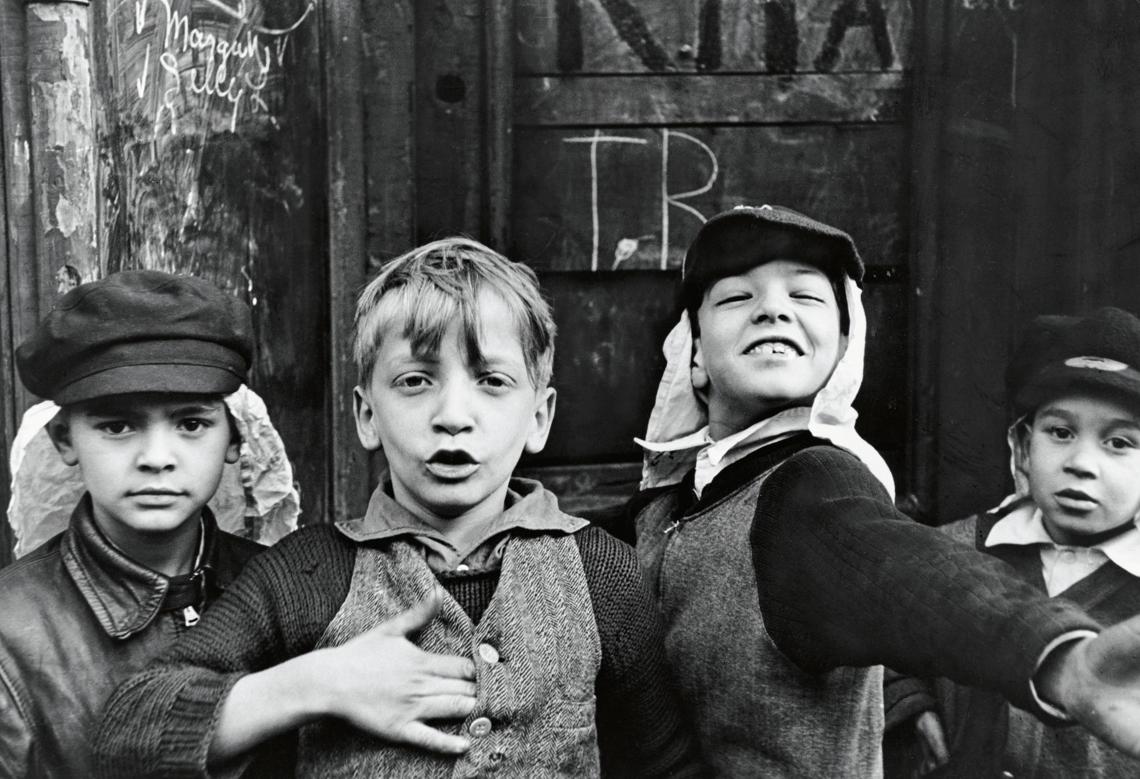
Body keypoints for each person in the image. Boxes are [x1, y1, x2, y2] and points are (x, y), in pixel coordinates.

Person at [95, 237, 700, 778]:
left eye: (491, 381)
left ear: (539, 417)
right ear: (367, 415)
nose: (453, 416)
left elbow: (667, 765)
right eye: (415, 381)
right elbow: (129, 730)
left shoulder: (601, 575)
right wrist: (317, 683)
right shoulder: (307, 574)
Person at [631, 204, 1140, 777]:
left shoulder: (811, 485)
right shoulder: (666, 503)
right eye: (735, 297)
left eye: (805, 295)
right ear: (694, 352)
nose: (772, 307)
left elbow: (915, 575)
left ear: (844, 345)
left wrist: (1060, 659)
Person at [0, 270, 268, 777]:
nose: (157, 458)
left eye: (191, 423)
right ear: (64, 439)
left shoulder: (288, 588)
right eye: (118, 425)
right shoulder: (10, 632)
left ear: (235, 438)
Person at [884, 306, 1140, 778]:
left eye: (1119, 443)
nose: (1081, 463)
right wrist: (909, 703)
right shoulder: (952, 550)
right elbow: (882, 635)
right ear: (1022, 446)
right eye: (1060, 432)